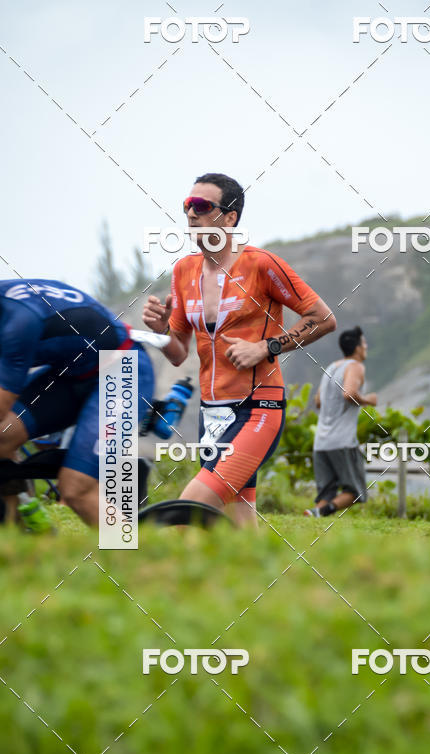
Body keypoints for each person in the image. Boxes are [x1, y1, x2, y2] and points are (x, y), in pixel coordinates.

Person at [142, 171, 336, 527]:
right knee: (240, 517)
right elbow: (178, 352)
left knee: (189, 509)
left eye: (202, 206)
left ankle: (148, 577)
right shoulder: (184, 270)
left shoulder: (261, 264)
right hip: (211, 411)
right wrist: (160, 330)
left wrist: (267, 346)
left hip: (257, 408)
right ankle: (263, 582)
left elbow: (322, 318)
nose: (191, 213)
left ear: (230, 217)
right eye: (187, 205)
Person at [0, 278, 154, 524]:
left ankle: (138, 556)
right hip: (71, 374)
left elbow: (2, 404)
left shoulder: (18, 320)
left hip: (122, 370)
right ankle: (23, 538)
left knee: (76, 489)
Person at [304, 326, 377, 518]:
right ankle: (322, 511)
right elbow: (349, 394)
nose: (366, 346)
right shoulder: (355, 366)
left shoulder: (330, 368)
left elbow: (318, 401)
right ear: (358, 348)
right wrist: (368, 399)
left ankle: (314, 516)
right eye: (364, 343)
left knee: (326, 493)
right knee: (356, 492)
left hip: (321, 442)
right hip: (342, 442)